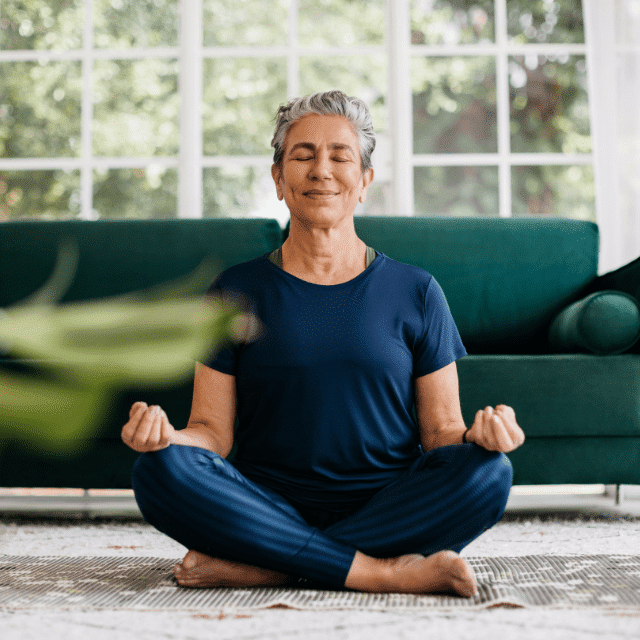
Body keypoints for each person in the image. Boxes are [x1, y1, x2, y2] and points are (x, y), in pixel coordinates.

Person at [122, 90, 525, 597]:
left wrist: (480, 437)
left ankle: (273, 565)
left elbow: (442, 431)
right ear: (278, 179)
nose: (321, 170)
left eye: (340, 156)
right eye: (303, 155)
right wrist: (166, 440)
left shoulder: (417, 290)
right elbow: (211, 433)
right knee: (158, 470)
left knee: (490, 472)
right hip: (265, 504)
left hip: (388, 504)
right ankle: (378, 573)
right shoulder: (234, 291)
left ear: (364, 181)